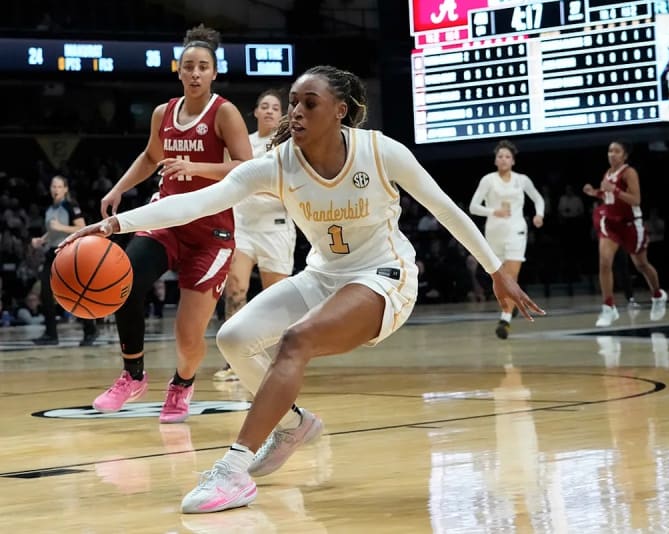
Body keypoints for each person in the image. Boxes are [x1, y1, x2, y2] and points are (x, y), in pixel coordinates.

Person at [60, 65, 544, 514]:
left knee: (296, 341)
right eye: (292, 101)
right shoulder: (277, 162)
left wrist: (496, 269)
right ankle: (293, 424)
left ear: (340, 111)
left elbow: (445, 209)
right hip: (322, 276)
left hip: (384, 278)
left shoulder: (380, 151)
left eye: (309, 103)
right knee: (233, 337)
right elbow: (196, 203)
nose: (296, 111)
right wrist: (113, 225)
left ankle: (232, 471)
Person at [91, 25, 252, 423]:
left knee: (187, 335)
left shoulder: (224, 112)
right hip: (168, 220)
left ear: (214, 72)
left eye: (203, 67)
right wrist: (118, 189)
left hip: (211, 234)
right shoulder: (164, 113)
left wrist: (195, 166)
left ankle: (182, 384)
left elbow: (249, 168)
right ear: (178, 71)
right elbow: (150, 156)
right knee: (123, 281)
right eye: (188, 67)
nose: (195, 73)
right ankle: (133, 375)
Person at [214, 89, 297, 383]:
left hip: (276, 227)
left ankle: (280, 361)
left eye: (276, 107)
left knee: (276, 298)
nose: (271, 111)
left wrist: (258, 187)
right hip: (243, 226)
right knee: (234, 289)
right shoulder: (244, 145)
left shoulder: (290, 148)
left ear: (282, 115)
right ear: (257, 113)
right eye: (265, 106)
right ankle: (233, 362)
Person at [582, 141, 667, 327]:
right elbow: (608, 197)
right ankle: (608, 306)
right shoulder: (607, 173)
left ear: (625, 155)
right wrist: (595, 193)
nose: (612, 154)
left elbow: (635, 200)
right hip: (611, 222)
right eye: (610, 150)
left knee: (642, 264)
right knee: (604, 262)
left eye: (616, 151)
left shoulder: (629, 173)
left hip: (630, 224)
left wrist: (615, 190)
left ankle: (658, 295)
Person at [469, 140, 545, 339]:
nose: (503, 159)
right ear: (495, 160)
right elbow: (473, 207)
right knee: (499, 278)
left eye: (507, 156)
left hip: (516, 231)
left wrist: (539, 214)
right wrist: (494, 210)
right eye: (500, 156)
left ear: (513, 161)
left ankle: (505, 318)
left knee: (511, 275)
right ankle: (511, 305)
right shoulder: (488, 180)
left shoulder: (522, 180)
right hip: (493, 234)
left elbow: (538, 198)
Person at [30, 175, 97, 345]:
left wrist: (60, 227)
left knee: (77, 292)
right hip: (52, 252)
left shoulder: (71, 205)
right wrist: (42, 239)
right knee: (45, 292)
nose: (55, 189)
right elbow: (52, 231)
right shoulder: (50, 209)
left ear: (65, 189)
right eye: (53, 186)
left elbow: (82, 227)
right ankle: (51, 334)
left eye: (59, 186)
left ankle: (90, 330)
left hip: (68, 251)